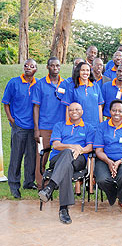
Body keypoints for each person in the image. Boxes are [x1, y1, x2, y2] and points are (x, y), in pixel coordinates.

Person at [38, 102, 95, 224]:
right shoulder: (60, 125)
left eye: (77, 109)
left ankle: (50, 188)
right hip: (57, 159)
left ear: (82, 111)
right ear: (68, 112)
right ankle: (63, 209)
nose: (74, 112)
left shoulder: (88, 127)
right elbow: (56, 145)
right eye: (71, 110)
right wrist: (72, 147)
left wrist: (79, 150)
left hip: (78, 160)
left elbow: (90, 147)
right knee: (66, 162)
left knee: (68, 161)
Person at [94, 100, 122, 214]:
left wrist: (119, 161)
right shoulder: (102, 126)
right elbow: (99, 150)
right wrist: (108, 161)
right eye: (114, 110)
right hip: (105, 159)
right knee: (102, 180)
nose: (117, 113)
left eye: (120, 111)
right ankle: (120, 197)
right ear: (109, 111)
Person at [2, 59, 39, 198]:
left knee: (31, 156)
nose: (28, 68)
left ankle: (29, 182)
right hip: (19, 126)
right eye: (26, 65)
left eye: (32, 66)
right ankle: (14, 184)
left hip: (33, 127)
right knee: (16, 156)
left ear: (36, 69)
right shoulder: (14, 82)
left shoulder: (38, 84)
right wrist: (11, 119)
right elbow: (6, 103)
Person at [32, 57, 66, 189]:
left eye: (57, 66)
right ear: (47, 67)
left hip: (61, 128)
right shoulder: (40, 85)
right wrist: (36, 129)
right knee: (41, 157)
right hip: (44, 128)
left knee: (59, 157)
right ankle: (41, 184)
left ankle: (55, 182)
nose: (55, 68)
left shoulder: (65, 84)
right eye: (52, 66)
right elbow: (36, 107)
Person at [61, 62, 104, 127]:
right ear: (78, 71)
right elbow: (68, 107)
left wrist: (101, 124)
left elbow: (99, 106)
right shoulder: (72, 86)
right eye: (82, 70)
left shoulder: (95, 86)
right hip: (78, 126)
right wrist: (68, 126)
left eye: (87, 70)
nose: (85, 73)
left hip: (95, 126)